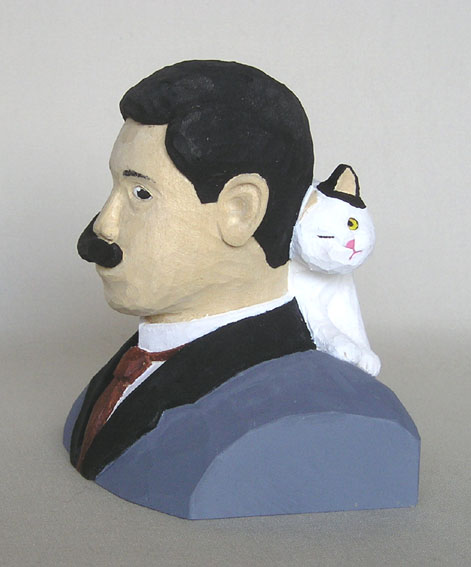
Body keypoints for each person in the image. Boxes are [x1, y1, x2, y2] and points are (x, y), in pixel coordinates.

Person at [64, 60, 419, 519]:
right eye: (115, 188)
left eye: (140, 194)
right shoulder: (121, 372)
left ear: (240, 211)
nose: (100, 229)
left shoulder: (326, 414)